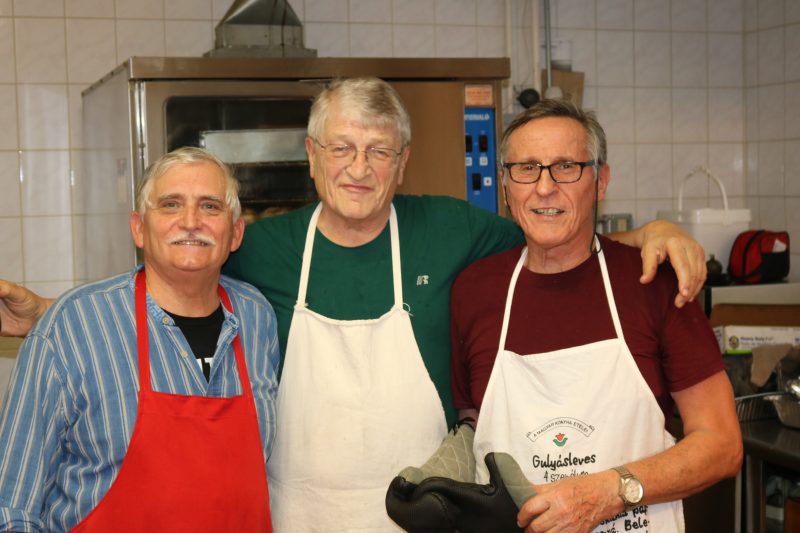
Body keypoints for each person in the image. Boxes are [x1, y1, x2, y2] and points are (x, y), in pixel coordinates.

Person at [0, 78, 707, 532]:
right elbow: (177, 278)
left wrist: (651, 233)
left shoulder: (452, 230)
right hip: (296, 520)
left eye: (379, 151)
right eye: (341, 148)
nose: (359, 169)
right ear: (312, 156)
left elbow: (554, 228)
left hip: (424, 520)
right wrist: (58, 313)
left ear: (403, 162)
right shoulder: (262, 247)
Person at [447, 99, 742, 532]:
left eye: (566, 167)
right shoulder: (475, 291)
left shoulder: (652, 282)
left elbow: (722, 444)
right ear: (506, 187)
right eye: (526, 168)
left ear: (600, 181)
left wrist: (609, 491)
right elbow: (474, 422)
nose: (544, 188)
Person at [0, 147, 279, 532]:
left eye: (210, 206)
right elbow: (10, 507)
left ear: (235, 233)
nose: (191, 222)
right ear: (138, 229)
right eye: (170, 205)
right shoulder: (73, 326)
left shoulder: (256, 317)